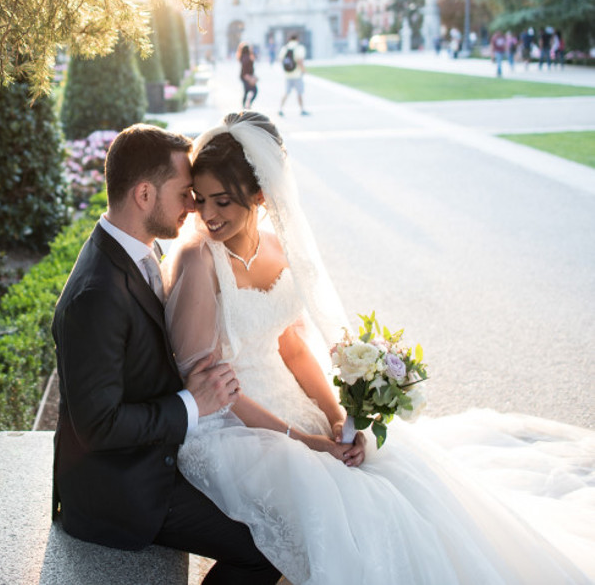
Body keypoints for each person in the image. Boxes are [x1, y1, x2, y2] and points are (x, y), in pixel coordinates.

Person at [161, 111, 595, 584]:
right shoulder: (197, 256)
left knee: (391, 483)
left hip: (286, 402)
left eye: (222, 201)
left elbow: (293, 348)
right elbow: (207, 383)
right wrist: (305, 442)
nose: (207, 215)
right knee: (333, 500)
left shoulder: (278, 248)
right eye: (200, 200)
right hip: (229, 423)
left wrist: (336, 417)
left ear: (261, 195)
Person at [51, 123, 281, 585]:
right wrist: (194, 404)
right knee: (270, 545)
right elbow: (99, 427)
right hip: (121, 490)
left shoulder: (135, 251)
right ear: (143, 195)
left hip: (157, 452)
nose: (195, 205)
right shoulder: (96, 294)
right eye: (185, 193)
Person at [277, 33, 308, 117]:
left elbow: (280, 60)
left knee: (286, 92)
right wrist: (304, 70)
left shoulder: (285, 48)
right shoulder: (299, 48)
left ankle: (280, 109)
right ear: (297, 39)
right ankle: (302, 109)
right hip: (297, 74)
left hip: (287, 74)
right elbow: (300, 60)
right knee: (299, 93)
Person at [237, 42, 258, 109]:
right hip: (246, 77)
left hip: (245, 77)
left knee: (247, 92)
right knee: (253, 90)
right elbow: (245, 72)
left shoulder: (243, 57)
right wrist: (251, 78)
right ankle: (246, 106)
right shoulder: (247, 58)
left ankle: (245, 106)